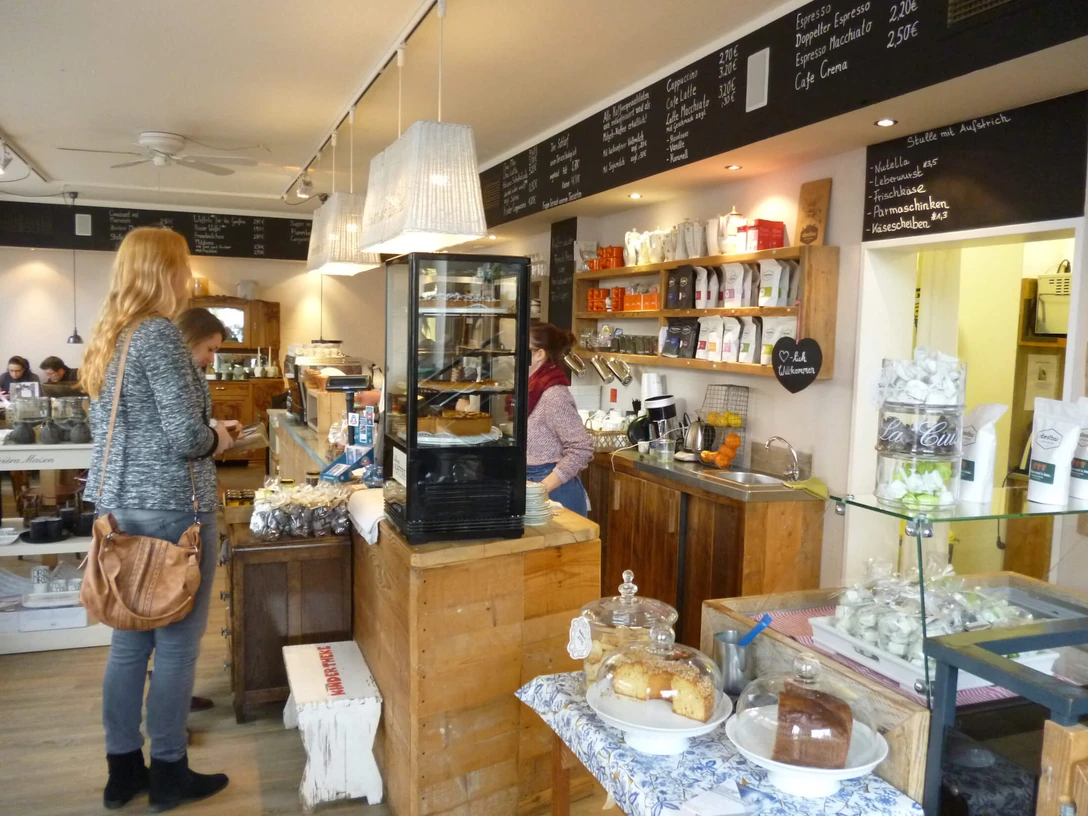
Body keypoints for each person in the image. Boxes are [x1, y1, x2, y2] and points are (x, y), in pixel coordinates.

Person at [81, 227, 236, 812]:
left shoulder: (109, 337)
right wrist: (217, 437)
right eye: (183, 267)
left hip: (120, 509)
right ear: (165, 272)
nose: (187, 278)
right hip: (174, 512)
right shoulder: (159, 336)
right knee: (175, 650)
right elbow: (185, 438)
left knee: (128, 648)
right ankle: (169, 772)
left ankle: (124, 771)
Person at [174, 307, 226, 715]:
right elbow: (187, 437)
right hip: (186, 503)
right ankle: (170, 709)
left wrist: (215, 429)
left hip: (185, 499)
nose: (211, 358)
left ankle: (173, 692)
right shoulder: (175, 368)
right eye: (209, 349)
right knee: (182, 614)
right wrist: (216, 436)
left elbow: (191, 429)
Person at [526, 322, 593, 516]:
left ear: (539, 354)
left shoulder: (553, 394)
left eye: (521, 348)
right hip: (529, 484)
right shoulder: (526, 389)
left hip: (556, 493)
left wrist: (541, 488)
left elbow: (581, 449)